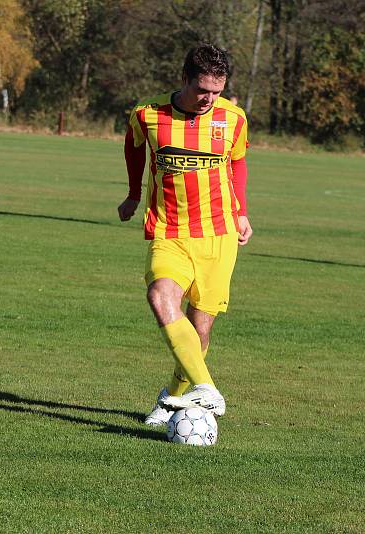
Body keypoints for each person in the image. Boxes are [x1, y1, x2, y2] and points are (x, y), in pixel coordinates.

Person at [117, 43, 252, 425]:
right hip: (169, 228)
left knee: (200, 328)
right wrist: (131, 194)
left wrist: (242, 212)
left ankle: (173, 397)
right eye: (201, 90)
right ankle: (207, 389)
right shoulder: (148, 114)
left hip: (219, 233)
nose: (209, 98)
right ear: (184, 79)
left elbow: (238, 163)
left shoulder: (234, 119)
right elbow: (133, 148)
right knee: (160, 296)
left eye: (216, 90)